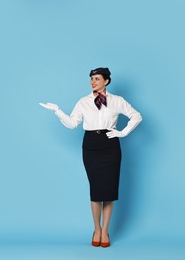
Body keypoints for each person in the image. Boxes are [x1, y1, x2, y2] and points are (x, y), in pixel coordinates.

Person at [39, 67, 142, 248]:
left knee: (109, 190)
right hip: (91, 146)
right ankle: (96, 228)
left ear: (106, 81)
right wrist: (57, 110)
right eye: (91, 78)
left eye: (96, 78)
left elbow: (136, 116)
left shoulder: (117, 101)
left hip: (110, 145)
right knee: (96, 190)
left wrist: (123, 132)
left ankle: (105, 230)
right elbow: (72, 124)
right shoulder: (83, 102)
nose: (92, 81)